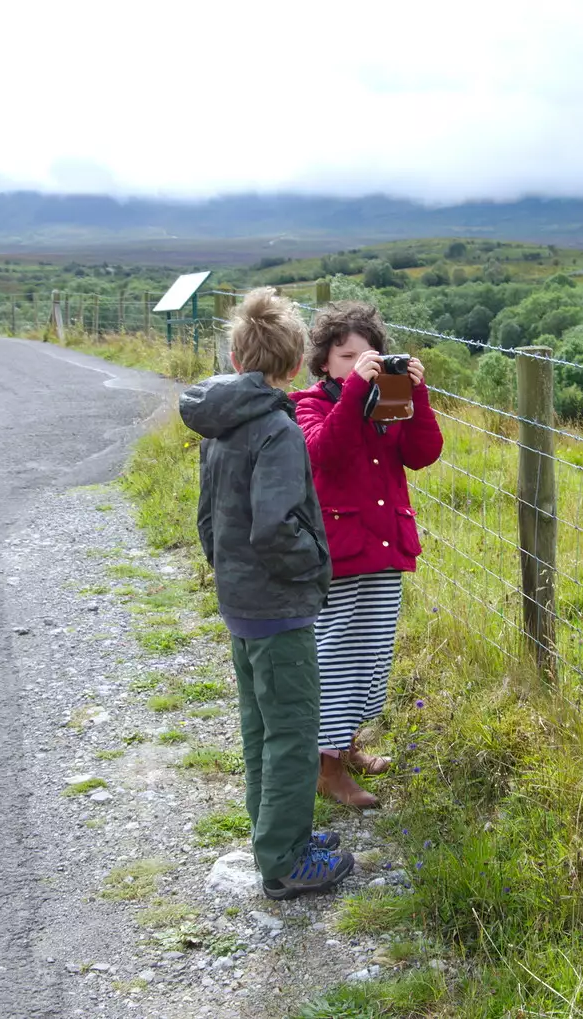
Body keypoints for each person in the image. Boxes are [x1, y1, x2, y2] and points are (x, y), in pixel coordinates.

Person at [178, 287, 354, 899]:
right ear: (293, 362)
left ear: (234, 358)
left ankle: (274, 834)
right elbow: (277, 524)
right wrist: (311, 571)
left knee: (261, 725)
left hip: (240, 600)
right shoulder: (276, 430)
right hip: (278, 607)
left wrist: (230, 575)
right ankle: (283, 861)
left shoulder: (221, 421)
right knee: (293, 731)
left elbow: (207, 519)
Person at [291, 301, 443, 808]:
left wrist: (417, 396)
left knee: (371, 657)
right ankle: (326, 769)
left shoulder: (388, 400)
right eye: (346, 355)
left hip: (384, 545)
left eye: (369, 354)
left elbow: (422, 455)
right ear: (324, 362)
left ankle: (346, 745)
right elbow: (322, 452)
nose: (359, 362)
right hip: (339, 553)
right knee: (336, 658)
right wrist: (357, 388)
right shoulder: (308, 403)